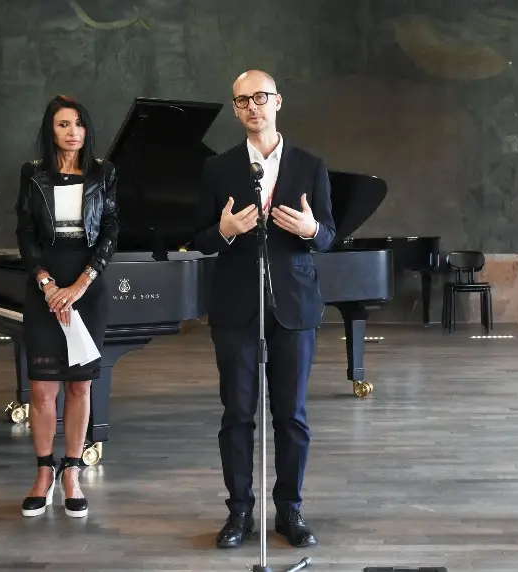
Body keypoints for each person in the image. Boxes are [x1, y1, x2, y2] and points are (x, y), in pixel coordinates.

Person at [193, 70, 336, 549]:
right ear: (236, 110)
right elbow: (200, 236)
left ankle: (290, 511)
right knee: (237, 414)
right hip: (236, 308)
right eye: (242, 101)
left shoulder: (311, 166)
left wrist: (312, 230)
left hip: (294, 307)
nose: (253, 107)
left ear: (278, 101)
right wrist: (227, 229)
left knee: (291, 416)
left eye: (260, 97)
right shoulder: (219, 169)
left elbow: (331, 235)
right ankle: (239, 514)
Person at [15, 95, 119, 519]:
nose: (73, 131)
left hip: (87, 281)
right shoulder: (32, 174)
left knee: (79, 385)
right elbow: (24, 231)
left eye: (78, 124)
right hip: (44, 282)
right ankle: (44, 473)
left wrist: (79, 284)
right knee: (42, 388)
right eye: (63, 125)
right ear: (50, 130)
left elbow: (112, 228)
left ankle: (72, 474)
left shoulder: (104, 173)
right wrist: (45, 282)